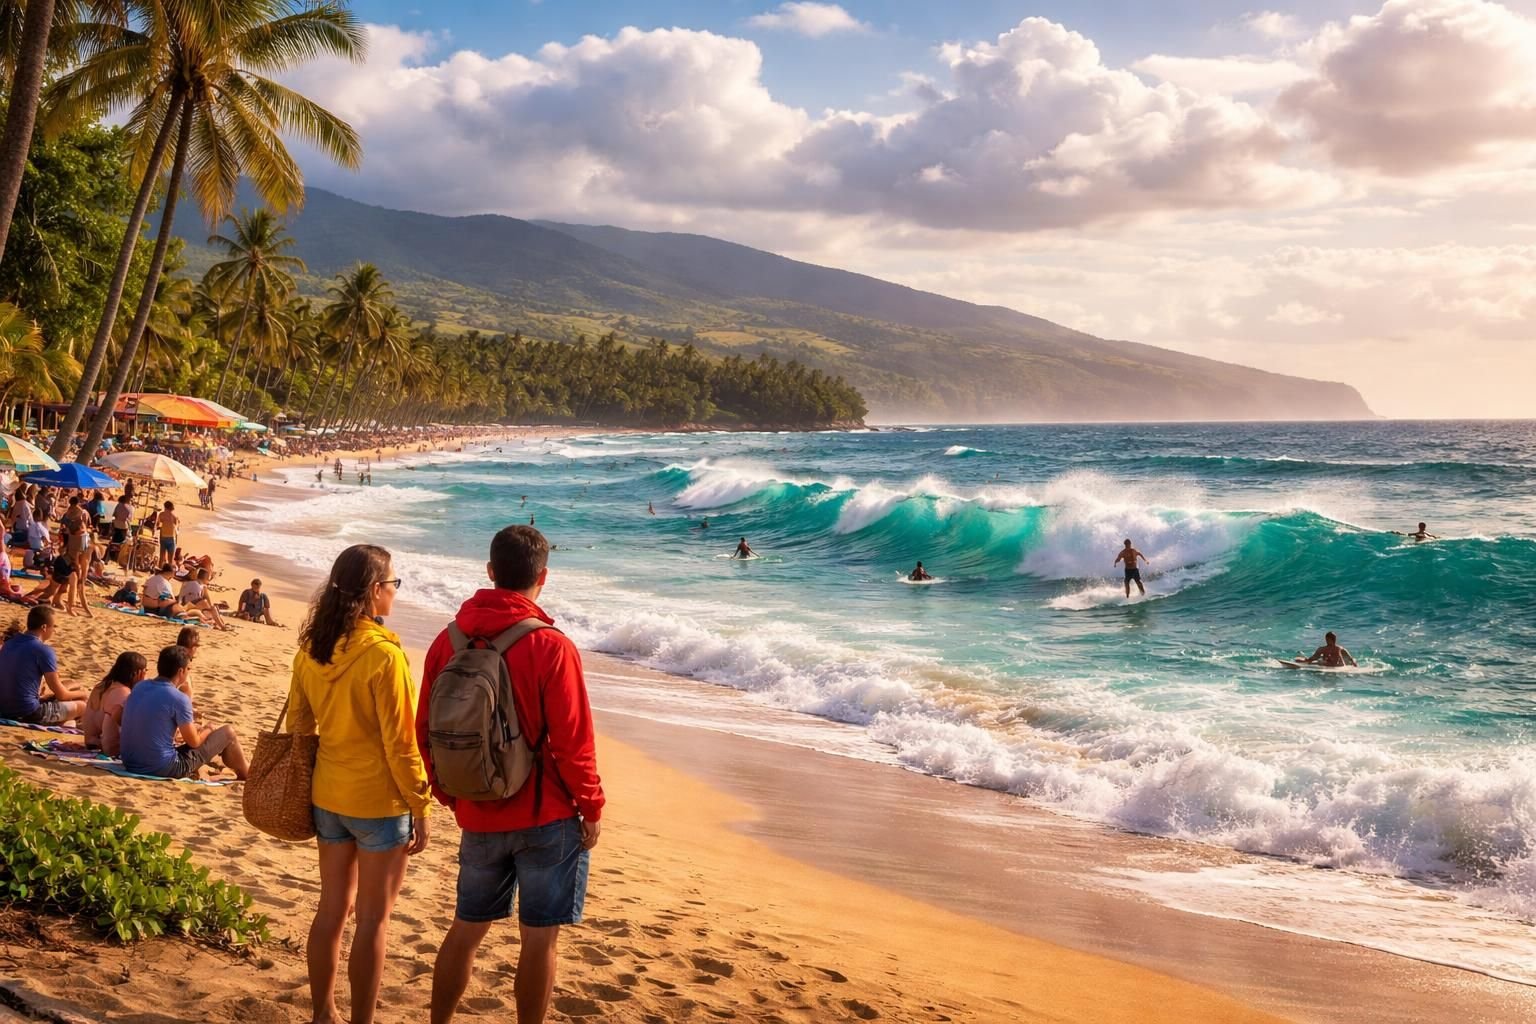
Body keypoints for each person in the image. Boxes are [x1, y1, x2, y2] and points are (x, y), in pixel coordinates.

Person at [418, 525, 604, 1024]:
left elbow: (425, 730)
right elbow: (573, 742)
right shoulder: (552, 646)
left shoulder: (448, 641)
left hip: (479, 810)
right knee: (540, 939)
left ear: (490, 572)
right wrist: (591, 808)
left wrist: (452, 796)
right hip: (547, 815)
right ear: (543, 577)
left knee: (465, 929)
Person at [288, 544, 430, 1024]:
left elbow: (301, 728)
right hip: (380, 802)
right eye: (393, 584)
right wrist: (422, 804)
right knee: (373, 920)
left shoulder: (312, 648)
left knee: (332, 910)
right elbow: (401, 745)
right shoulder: (385, 657)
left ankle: (322, 1013)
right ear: (374, 591)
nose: (394, 592)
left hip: (328, 795)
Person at [119, 645, 248, 780]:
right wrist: (208, 729)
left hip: (130, 762)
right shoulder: (179, 698)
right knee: (228, 732)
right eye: (188, 669)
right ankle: (247, 775)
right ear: (181, 671)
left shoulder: (140, 687)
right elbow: (194, 742)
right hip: (161, 767)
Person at [0, 607, 85, 725]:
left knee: (71, 684)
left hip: (4, 708)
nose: (55, 631)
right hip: (27, 712)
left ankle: (65, 720)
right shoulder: (43, 650)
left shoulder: (9, 644)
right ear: (44, 627)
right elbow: (62, 695)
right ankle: (65, 722)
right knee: (83, 706)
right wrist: (85, 694)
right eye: (54, 627)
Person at [82, 651, 147, 755]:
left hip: (89, 741)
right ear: (137, 673)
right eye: (144, 672)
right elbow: (127, 723)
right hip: (102, 745)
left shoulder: (101, 685)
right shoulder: (123, 691)